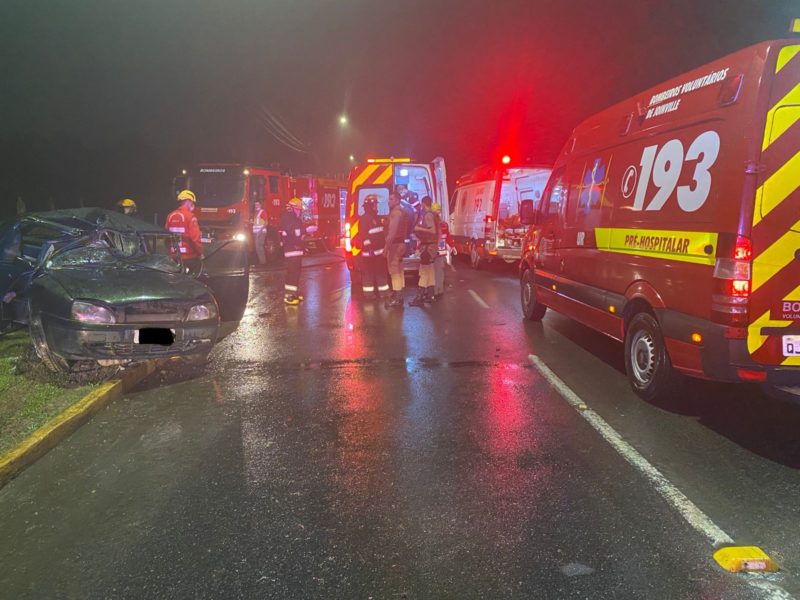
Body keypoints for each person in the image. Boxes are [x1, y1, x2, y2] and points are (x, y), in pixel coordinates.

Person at [166, 189, 204, 275]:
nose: (192, 205)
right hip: (189, 257)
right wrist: (200, 253)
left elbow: (166, 237)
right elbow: (195, 239)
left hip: (175, 257)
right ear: (188, 201)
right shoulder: (190, 217)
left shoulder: (170, 216)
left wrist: (171, 252)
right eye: (192, 202)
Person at [359, 194, 390, 299]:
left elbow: (379, 233)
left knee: (381, 272)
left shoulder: (375, 218)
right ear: (370, 206)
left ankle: (384, 293)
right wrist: (370, 249)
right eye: (375, 205)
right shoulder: (365, 219)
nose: (376, 207)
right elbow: (364, 236)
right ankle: (369, 294)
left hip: (378, 252)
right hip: (370, 253)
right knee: (369, 274)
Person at [410, 196, 438, 307]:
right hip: (432, 247)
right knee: (430, 271)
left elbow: (432, 230)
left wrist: (418, 229)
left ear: (423, 204)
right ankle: (430, 295)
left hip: (428, 247)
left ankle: (420, 297)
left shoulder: (428, 215)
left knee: (424, 271)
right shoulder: (434, 215)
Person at [383, 191, 408, 308]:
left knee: (394, 271)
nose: (389, 201)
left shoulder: (395, 213)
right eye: (389, 199)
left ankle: (398, 298)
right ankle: (400, 295)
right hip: (401, 244)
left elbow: (392, 233)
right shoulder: (403, 212)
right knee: (399, 269)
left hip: (394, 245)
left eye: (391, 199)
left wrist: (386, 248)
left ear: (398, 200)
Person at [280, 197, 305, 305]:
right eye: (299, 209)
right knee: (293, 273)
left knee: (295, 272)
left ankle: (292, 294)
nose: (300, 212)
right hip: (292, 249)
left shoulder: (293, 218)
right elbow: (295, 233)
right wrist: (304, 232)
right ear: (294, 208)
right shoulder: (289, 218)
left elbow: (300, 231)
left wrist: (304, 231)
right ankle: (289, 297)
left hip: (296, 249)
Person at [431, 202, 455, 299]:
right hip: (442, 251)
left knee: (433, 271)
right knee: (440, 271)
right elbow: (448, 237)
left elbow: (428, 237)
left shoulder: (432, 223)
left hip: (433, 250)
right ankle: (439, 290)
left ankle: (435, 291)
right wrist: (452, 246)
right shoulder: (444, 224)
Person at [252, 200, 268, 267]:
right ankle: (261, 261)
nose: (256, 206)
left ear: (260, 205)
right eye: (255, 205)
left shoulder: (262, 212)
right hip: (256, 233)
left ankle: (263, 262)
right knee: (257, 247)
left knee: (259, 246)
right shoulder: (255, 213)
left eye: (257, 204)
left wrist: (260, 231)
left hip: (261, 232)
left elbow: (266, 222)